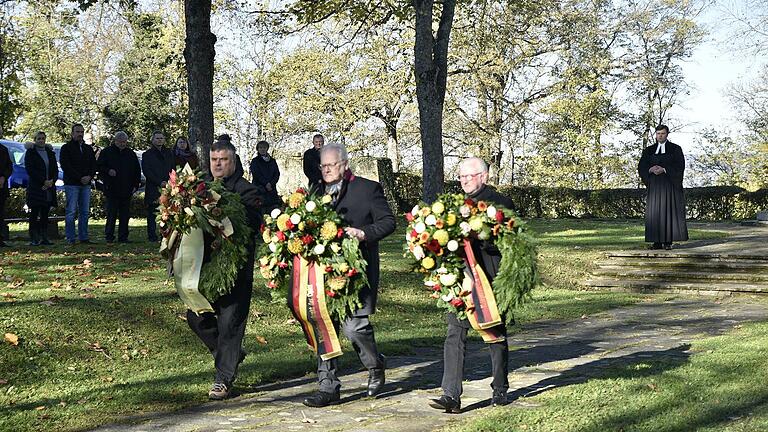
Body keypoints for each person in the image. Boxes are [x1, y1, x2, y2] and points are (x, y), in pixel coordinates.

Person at [302, 142, 396, 408]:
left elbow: (388, 222)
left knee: (355, 327)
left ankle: (375, 364)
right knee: (324, 325)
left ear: (344, 164)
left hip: (357, 271)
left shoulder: (368, 189)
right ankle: (327, 387)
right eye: (323, 166)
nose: (326, 170)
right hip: (321, 272)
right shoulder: (316, 190)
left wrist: (363, 233)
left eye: (331, 165)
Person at [429, 157, 515, 414]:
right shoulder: (452, 205)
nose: (464, 180)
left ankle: (500, 387)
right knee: (455, 333)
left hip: (489, 277)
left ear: (484, 176)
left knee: (494, 333)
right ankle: (451, 395)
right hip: (459, 279)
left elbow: (506, 243)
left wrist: (479, 235)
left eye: (469, 176)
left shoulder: (501, 203)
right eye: (461, 177)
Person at [186, 139, 262, 400]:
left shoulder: (247, 191)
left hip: (235, 270)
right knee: (196, 317)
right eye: (214, 160)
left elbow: (251, 225)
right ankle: (231, 354)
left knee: (230, 325)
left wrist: (224, 217)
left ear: (233, 161)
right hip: (205, 268)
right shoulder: (200, 189)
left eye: (223, 160)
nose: (218, 164)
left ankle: (223, 379)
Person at [638, 125, 688, 250]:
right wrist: (650, 169)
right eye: (658, 133)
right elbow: (641, 166)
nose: (660, 135)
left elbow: (680, 166)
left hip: (669, 186)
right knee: (655, 214)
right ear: (655, 134)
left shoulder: (675, 149)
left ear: (667, 134)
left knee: (668, 213)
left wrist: (664, 169)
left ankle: (667, 241)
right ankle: (656, 242)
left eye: (663, 133)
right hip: (654, 187)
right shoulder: (649, 150)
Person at [98, 131, 141, 243]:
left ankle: (123, 236)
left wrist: (136, 185)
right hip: (112, 188)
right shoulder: (107, 152)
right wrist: (108, 171)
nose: (123, 144)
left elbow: (136, 170)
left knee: (124, 214)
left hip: (126, 188)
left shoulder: (130, 153)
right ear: (115, 141)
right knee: (111, 214)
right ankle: (109, 236)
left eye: (124, 142)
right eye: (120, 142)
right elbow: (99, 167)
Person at [59, 123, 97, 244]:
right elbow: (66, 166)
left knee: (85, 211)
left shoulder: (88, 149)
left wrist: (89, 177)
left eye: (81, 132)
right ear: (72, 133)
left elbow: (93, 165)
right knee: (71, 211)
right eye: (77, 132)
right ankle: (70, 237)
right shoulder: (66, 148)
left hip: (86, 184)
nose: (80, 134)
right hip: (72, 184)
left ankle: (83, 237)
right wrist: (80, 177)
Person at [24, 132, 58, 246]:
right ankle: (34, 237)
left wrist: (51, 181)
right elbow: (30, 170)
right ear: (35, 140)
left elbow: (55, 169)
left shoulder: (50, 153)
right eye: (39, 138)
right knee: (34, 213)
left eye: (43, 138)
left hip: (49, 187)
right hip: (36, 187)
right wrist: (43, 181)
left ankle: (44, 237)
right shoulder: (31, 153)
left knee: (45, 213)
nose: (41, 140)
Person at [141, 131, 175, 242]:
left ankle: (165, 234)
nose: (159, 140)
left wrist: (171, 181)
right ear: (152, 140)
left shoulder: (169, 153)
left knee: (167, 212)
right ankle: (152, 236)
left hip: (168, 186)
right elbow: (147, 171)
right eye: (157, 138)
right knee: (152, 212)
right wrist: (159, 182)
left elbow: (173, 168)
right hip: (153, 187)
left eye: (161, 138)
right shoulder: (147, 154)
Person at [249, 140, 279, 210]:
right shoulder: (255, 161)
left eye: (264, 148)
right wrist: (266, 183)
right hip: (260, 189)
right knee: (260, 210)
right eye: (260, 148)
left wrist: (271, 183)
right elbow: (256, 174)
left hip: (272, 189)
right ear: (258, 149)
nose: (262, 149)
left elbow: (277, 173)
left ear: (267, 149)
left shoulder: (272, 161)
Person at [0, 139, 11, 247]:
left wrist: (4, 176)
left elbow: (9, 166)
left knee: (1, 213)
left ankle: (1, 238)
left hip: (2, 186)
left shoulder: (3, 150)